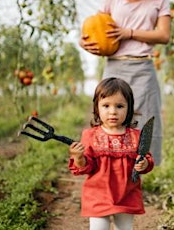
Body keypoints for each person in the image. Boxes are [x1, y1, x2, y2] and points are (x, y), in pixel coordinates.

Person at [79, 0, 171, 166]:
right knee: (110, 118)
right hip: (115, 66)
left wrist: (129, 33)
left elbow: (164, 35)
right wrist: (84, 42)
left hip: (143, 67)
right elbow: (97, 26)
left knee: (145, 119)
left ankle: (140, 168)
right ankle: (108, 166)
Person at [68, 77, 154, 230]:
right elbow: (86, 167)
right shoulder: (90, 136)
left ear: (129, 108)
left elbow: (146, 160)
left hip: (127, 194)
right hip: (98, 195)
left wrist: (144, 164)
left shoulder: (136, 136)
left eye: (119, 106)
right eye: (106, 106)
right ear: (97, 108)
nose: (113, 111)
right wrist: (78, 157)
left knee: (125, 228)